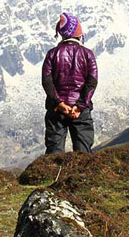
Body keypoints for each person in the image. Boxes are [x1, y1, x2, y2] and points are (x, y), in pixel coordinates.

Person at [41, 12, 98, 154]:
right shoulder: (87, 54)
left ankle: (52, 176)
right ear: (77, 32)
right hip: (80, 111)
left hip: (56, 111)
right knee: (83, 155)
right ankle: (83, 177)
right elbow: (92, 81)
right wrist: (79, 106)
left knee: (54, 153)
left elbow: (47, 81)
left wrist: (59, 103)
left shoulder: (52, 54)